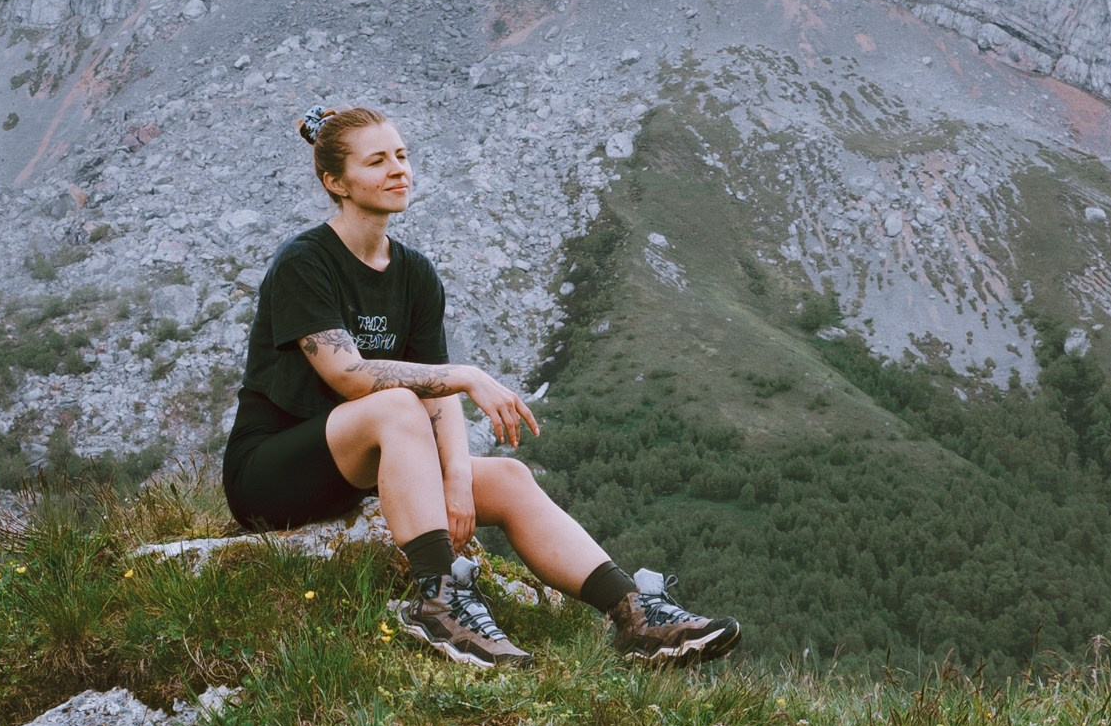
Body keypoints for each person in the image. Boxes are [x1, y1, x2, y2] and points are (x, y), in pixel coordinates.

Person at [221, 102, 742, 671]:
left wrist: (459, 479)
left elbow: (436, 396)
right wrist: (468, 375)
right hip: (271, 474)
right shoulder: (306, 261)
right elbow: (347, 375)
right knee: (395, 404)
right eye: (377, 161)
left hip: (354, 471)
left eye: (402, 155)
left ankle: (634, 616)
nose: (399, 169)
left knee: (510, 477)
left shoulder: (414, 273)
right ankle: (439, 604)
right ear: (335, 182)